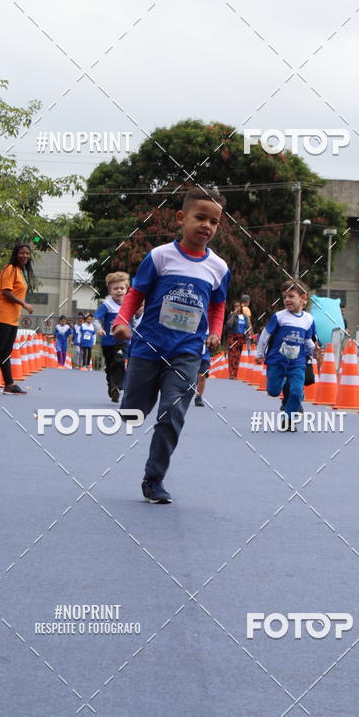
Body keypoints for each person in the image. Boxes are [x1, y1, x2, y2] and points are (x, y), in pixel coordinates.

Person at [112, 187, 231, 504]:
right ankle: (131, 406)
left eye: (214, 222)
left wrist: (215, 331)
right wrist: (121, 320)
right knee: (134, 413)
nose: (206, 226)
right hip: (148, 347)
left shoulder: (218, 268)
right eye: (200, 218)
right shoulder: (160, 256)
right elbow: (136, 293)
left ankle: (154, 480)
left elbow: (218, 305)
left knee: (172, 413)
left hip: (188, 352)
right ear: (182, 218)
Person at [256, 280, 316, 430]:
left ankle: (288, 419)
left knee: (296, 392)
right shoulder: (279, 316)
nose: (287, 300)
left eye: (291, 296)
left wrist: (315, 351)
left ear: (303, 298)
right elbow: (265, 335)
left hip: (297, 363)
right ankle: (283, 383)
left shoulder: (308, 320)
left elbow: (308, 340)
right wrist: (259, 353)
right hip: (277, 360)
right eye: (284, 297)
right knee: (273, 391)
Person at [0, 243, 34, 394]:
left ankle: (9, 385)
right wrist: (24, 304)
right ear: (15, 254)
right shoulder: (10, 269)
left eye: (27, 253)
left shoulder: (19, 271)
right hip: (2, 315)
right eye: (21, 253)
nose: (25, 256)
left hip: (12, 318)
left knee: (5, 353)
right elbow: (6, 292)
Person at [94, 272, 130, 402]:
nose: (119, 291)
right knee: (110, 366)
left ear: (126, 289)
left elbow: (136, 319)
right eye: (115, 288)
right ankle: (111, 385)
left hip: (122, 341)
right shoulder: (107, 305)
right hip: (107, 341)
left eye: (122, 288)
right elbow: (96, 319)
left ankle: (117, 387)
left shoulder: (129, 304)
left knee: (119, 360)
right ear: (110, 291)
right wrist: (99, 329)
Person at [225, 300, 250, 378]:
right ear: (233, 307)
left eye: (238, 306)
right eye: (235, 306)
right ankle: (232, 373)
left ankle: (237, 373)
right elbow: (229, 325)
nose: (237, 307)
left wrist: (249, 335)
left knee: (239, 355)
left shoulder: (244, 316)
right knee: (232, 355)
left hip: (242, 337)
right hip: (233, 336)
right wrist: (233, 315)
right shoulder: (231, 315)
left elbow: (247, 327)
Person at [194, 341, 211, 407]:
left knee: (202, 376)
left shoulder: (209, 331)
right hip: (192, 355)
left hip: (205, 357)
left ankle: (198, 397)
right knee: (191, 378)